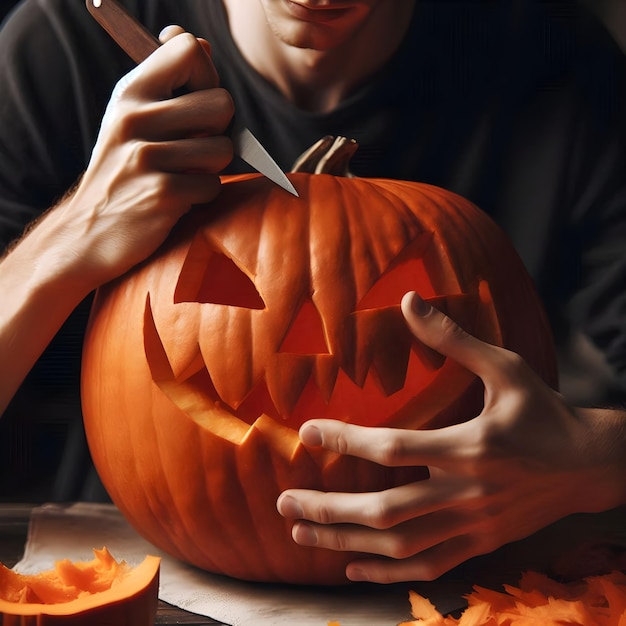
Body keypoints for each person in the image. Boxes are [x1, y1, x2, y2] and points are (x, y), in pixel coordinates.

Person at [1, 0, 625, 583]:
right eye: (232, 289)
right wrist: (71, 236)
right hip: (133, 576)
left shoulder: (561, 63)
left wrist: (596, 460)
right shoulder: (65, 45)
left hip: (467, 584)